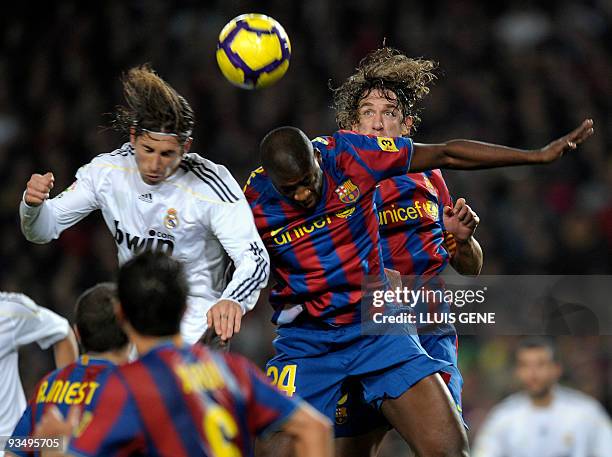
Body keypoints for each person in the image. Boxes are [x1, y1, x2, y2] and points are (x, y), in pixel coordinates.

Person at [243, 111, 593, 455]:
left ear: (317, 158)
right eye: (291, 190)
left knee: (448, 448)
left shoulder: (352, 156)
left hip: (377, 325)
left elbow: (445, 152)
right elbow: (229, 257)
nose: (303, 194)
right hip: (310, 338)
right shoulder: (253, 202)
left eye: (308, 181)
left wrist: (536, 155)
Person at [19, 64, 269, 346]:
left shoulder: (210, 185)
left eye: (167, 154)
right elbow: (42, 230)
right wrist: (33, 206)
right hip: (135, 321)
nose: (154, 164)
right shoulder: (106, 173)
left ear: (185, 148)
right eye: (148, 150)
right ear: (134, 137)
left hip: (196, 326)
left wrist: (233, 300)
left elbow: (254, 258)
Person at [330, 47, 483, 453]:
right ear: (352, 123)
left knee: (448, 448)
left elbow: (470, 267)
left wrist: (463, 241)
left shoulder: (430, 177)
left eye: (390, 112)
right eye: (368, 111)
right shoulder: (338, 180)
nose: (378, 122)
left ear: (406, 124)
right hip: (364, 325)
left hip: (430, 324)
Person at [33, 251, 332, 457]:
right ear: (187, 309)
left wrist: (54, 446)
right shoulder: (234, 370)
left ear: (122, 315)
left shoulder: (123, 387)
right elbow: (315, 427)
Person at [5, 282, 130, 457]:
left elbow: (15, 451)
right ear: (131, 329)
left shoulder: (48, 385)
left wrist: (55, 443)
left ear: (77, 333)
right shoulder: (138, 388)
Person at [473, 338, 612, 457]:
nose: (532, 374)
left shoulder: (586, 412)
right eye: (525, 365)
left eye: (540, 365)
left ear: (557, 369)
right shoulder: (503, 416)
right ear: (517, 371)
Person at [0, 292, 78, 457]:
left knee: (57, 445)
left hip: (11, 445)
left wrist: (64, 404)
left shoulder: (7, 311)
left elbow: (62, 332)